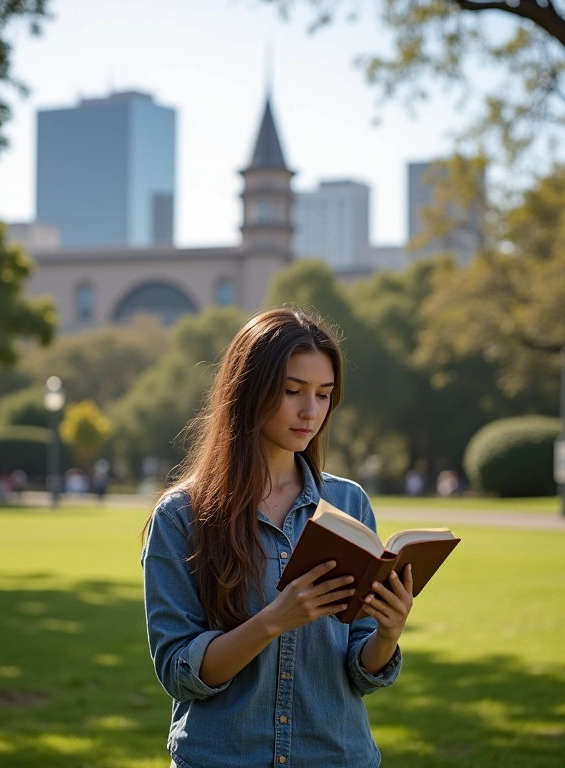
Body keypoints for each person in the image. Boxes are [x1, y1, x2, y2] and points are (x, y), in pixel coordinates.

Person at [141, 307, 414, 768]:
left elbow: (361, 670)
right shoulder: (182, 516)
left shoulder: (348, 504)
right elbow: (179, 672)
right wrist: (273, 621)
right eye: (293, 391)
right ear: (249, 390)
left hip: (335, 756)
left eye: (324, 395)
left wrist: (388, 632)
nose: (311, 411)